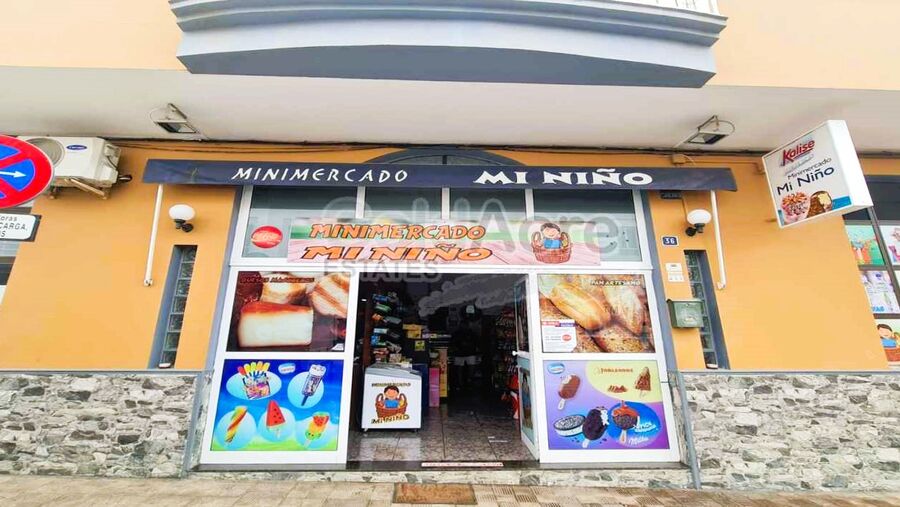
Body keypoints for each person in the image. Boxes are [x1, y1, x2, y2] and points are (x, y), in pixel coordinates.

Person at [451, 306, 481, 393]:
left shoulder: (471, 333)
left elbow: (477, 342)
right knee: (460, 369)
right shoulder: (458, 333)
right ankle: (463, 383)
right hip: (461, 353)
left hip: (467, 353)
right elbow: (453, 343)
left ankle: (468, 382)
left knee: (469, 369)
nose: (464, 326)